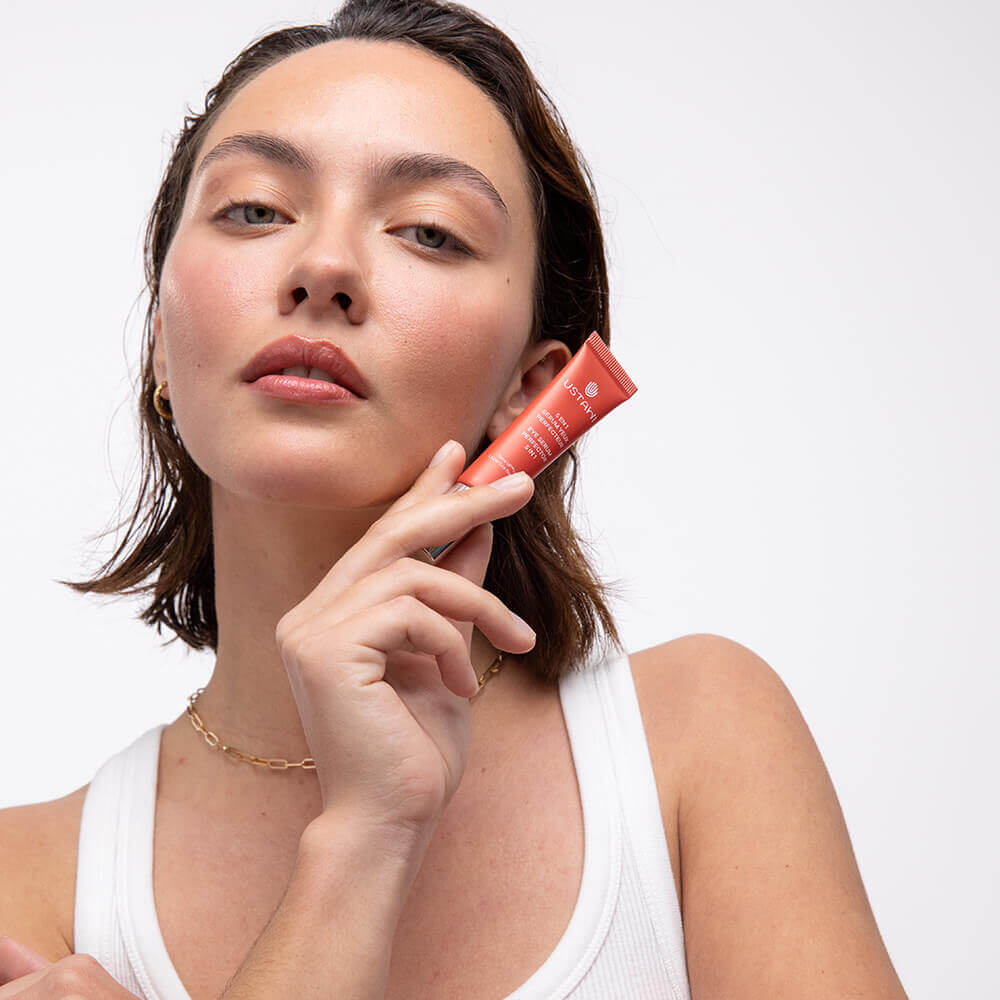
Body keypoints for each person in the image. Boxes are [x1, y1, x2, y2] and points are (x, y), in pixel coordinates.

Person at [0, 1, 909, 998]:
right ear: (164, 344)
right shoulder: (25, 886)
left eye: (429, 232)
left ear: (533, 392)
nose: (324, 268)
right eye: (255, 208)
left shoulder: (695, 746)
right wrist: (363, 837)